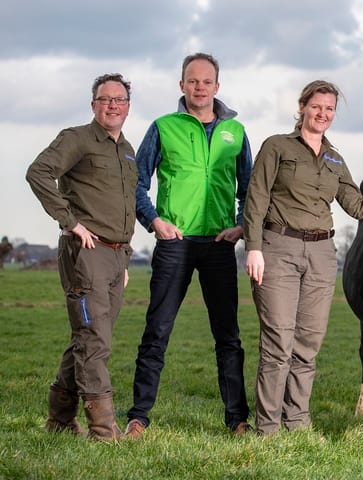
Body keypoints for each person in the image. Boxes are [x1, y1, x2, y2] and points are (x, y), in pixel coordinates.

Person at [243, 80, 363, 436]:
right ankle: (267, 427)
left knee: (308, 342)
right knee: (278, 342)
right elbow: (256, 198)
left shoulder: (334, 158)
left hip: (321, 254)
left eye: (329, 109)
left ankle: (297, 421)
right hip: (278, 248)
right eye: (316, 106)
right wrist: (253, 247)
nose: (322, 114)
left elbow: (359, 207)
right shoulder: (277, 147)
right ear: (302, 107)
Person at [125, 53, 252, 438]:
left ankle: (237, 420)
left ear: (217, 86)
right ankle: (138, 417)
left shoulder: (237, 133)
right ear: (182, 86)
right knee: (157, 331)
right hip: (174, 242)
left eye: (206, 81)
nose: (199, 87)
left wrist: (241, 225)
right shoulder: (163, 127)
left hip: (218, 243)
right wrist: (154, 221)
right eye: (192, 81)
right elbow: (136, 181)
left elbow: (249, 188)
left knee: (228, 337)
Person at [26, 73, 138, 442]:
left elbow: (125, 205)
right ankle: (104, 432)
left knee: (89, 337)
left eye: (119, 100)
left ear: (127, 106)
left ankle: (59, 419)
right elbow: (39, 172)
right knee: (94, 341)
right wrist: (70, 222)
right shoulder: (76, 138)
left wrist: (124, 255)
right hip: (86, 254)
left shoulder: (126, 150)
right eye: (105, 99)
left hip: (116, 257)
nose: (112, 105)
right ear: (94, 105)